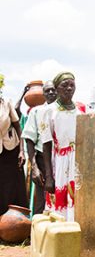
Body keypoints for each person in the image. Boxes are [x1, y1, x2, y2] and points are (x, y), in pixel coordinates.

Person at [41, 72, 82, 221]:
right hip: (60, 161)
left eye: (72, 85)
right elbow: (46, 145)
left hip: (79, 161)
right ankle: (61, 236)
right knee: (61, 202)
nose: (69, 88)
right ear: (57, 89)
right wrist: (49, 177)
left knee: (78, 199)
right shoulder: (49, 111)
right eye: (65, 85)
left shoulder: (82, 109)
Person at [21, 81, 57, 214]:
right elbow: (29, 139)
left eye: (53, 90)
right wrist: (35, 168)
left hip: (62, 159)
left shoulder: (66, 111)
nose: (51, 93)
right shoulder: (37, 111)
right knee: (42, 200)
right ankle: (38, 232)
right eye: (47, 91)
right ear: (43, 94)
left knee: (61, 199)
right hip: (42, 160)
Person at [0, 74, 28, 215]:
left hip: (11, 150)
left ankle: (16, 222)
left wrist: (22, 151)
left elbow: (18, 126)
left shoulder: (6, 103)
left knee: (13, 186)